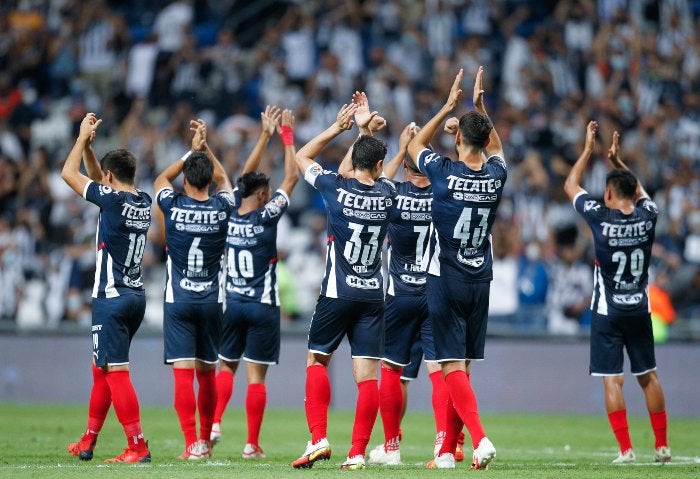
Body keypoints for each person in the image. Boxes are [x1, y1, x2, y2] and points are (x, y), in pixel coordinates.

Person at [407, 66, 504, 470]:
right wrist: (479, 109)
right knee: (460, 367)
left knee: (448, 365)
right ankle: (447, 451)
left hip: (445, 278)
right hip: (479, 279)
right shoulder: (497, 177)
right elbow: (495, 150)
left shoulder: (443, 174)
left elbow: (414, 143)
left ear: (458, 138)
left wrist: (449, 105)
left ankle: (478, 440)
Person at [291, 103, 396, 470]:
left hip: (337, 292)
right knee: (368, 377)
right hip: (372, 295)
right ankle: (356, 454)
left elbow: (302, 155)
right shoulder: (388, 193)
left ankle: (318, 438)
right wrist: (367, 134)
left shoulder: (335, 187)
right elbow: (368, 170)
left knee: (317, 359)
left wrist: (341, 127)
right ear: (380, 166)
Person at [564, 123, 671, 464]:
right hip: (640, 309)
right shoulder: (648, 216)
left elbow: (570, 184)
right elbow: (639, 191)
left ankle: (626, 450)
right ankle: (662, 447)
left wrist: (588, 149)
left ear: (609, 193)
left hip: (607, 312)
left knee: (614, 380)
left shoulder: (599, 218)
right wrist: (620, 161)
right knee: (649, 376)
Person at [62, 113, 151, 463]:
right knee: (102, 367)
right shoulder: (141, 200)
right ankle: (88, 440)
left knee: (115, 371)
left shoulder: (111, 200)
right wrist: (92, 149)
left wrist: (82, 138)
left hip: (110, 298)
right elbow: (100, 179)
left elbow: (69, 175)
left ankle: (138, 445)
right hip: (134, 297)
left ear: (110, 177)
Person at [211, 107, 299, 458]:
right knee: (256, 378)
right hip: (263, 306)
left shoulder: (230, 211)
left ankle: (215, 423)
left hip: (232, 304)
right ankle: (251, 444)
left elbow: (243, 179)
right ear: (263, 195)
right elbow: (291, 177)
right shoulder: (267, 215)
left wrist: (263, 135)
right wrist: (286, 138)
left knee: (226, 367)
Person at [154, 119, 235, 460]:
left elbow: (160, 179)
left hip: (180, 299)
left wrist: (192, 149)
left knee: (183, 375)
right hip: (212, 301)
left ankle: (192, 444)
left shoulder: (172, 206)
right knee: (207, 372)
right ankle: (205, 439)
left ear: (185, 179)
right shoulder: (222, 207)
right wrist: (207, 149)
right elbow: (224, 180)